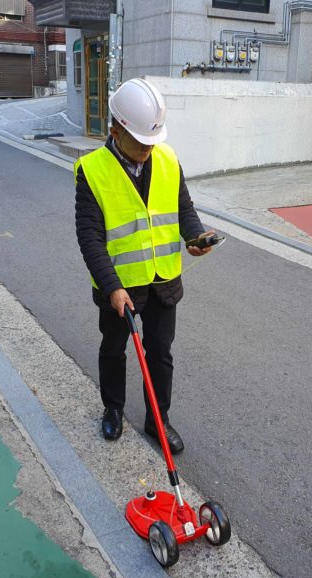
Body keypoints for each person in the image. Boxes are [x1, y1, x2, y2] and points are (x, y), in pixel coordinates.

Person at [74, 78, 215, 455]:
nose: (147, 150)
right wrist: (111, 285)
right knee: (113, 350)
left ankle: (158, 419)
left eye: (152, 142)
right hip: (118, 285)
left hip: (163, 280)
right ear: (116, 128)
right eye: (139, 142)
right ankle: (114, 410)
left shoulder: (166, 157)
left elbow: (182, 209)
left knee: (161, 354)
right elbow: (89, 238)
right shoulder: (92, 170)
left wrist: (195, 237)